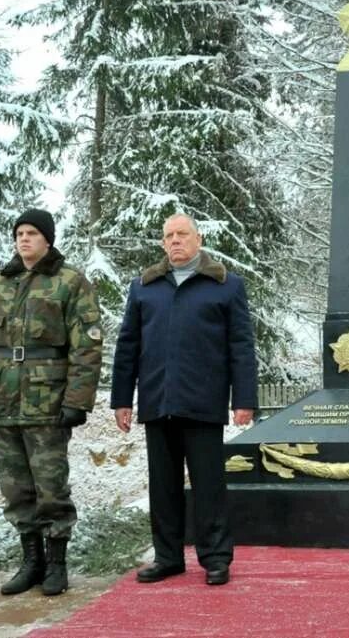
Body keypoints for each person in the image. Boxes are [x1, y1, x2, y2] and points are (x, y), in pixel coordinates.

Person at [0, 208, 103, 597]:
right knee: (15, 489)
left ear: (48, 239)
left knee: (51, 487)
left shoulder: (70, 283)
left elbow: (87, 347)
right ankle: (31, 562)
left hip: (48, 401)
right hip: (3, 400)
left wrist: (78, 400)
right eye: (19, 233)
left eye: (32, 233)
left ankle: (57, 564)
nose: (24, 239)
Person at [111, 213, 257, 586]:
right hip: (158, 400)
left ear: (198, 239)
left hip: (203, 402)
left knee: (209, 486)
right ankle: (168, 557)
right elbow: (127, 346)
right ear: (163, 243)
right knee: (163, 486)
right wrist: (122, 399)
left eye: (182, 235)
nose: (175, 241)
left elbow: (241, 347)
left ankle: (216, 559)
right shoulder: (145, 286)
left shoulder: (225, 285)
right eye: (168, 236)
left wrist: (244, 400)